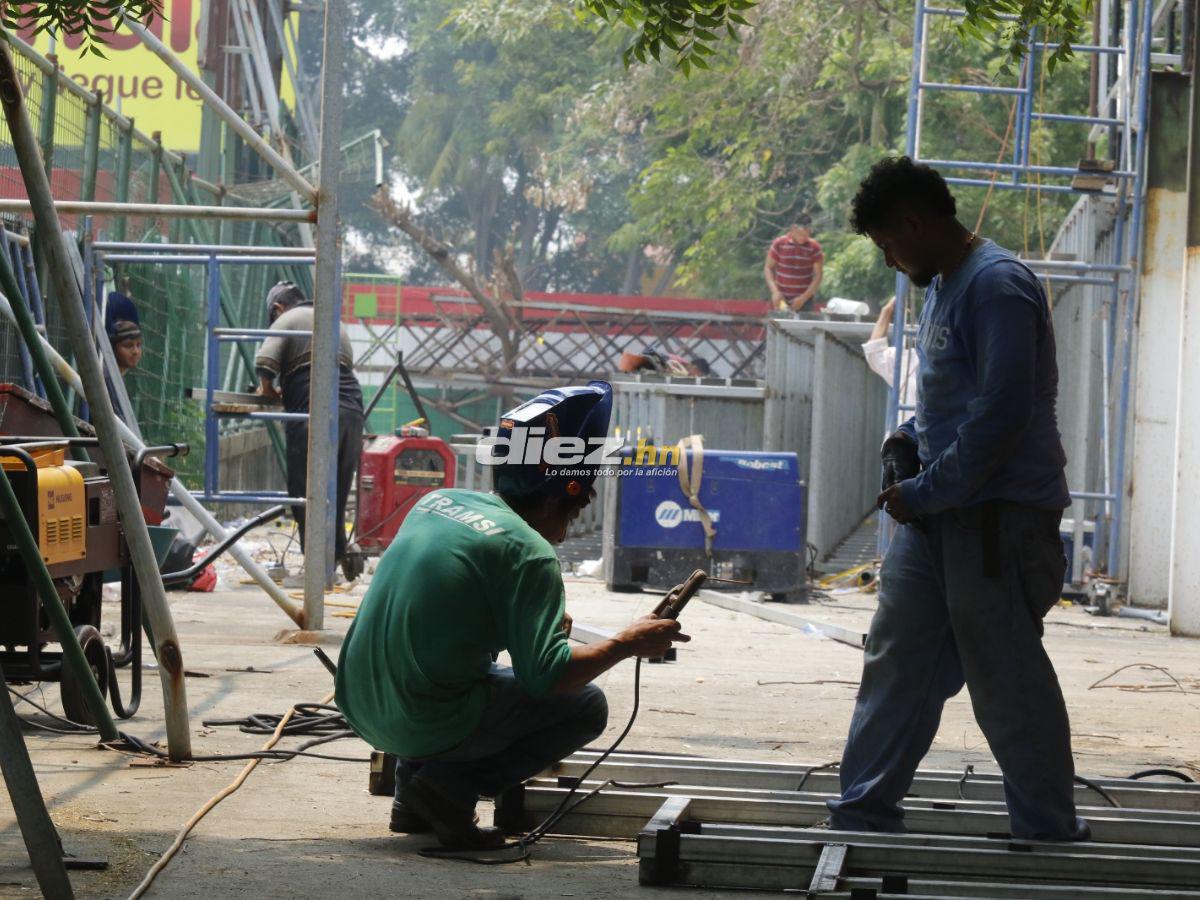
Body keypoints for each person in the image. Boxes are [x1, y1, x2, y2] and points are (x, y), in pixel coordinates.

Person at [827, 157, 1088, 842]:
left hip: (997, 521)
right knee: (897, 663)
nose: (890, 259)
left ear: (916, 222)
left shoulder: (997, 286)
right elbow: (953, 400)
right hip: (940, 515)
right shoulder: (945, 284)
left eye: (889, 243)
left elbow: (1002, 415)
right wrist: (907, 439)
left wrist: (925, 489)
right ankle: (862, 813)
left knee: (1005, 682)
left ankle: (1048, 831)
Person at [334, 381, 689, 850]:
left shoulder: (438, 504)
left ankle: (411, 798)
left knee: (476, 672)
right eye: (576, 509)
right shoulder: (530, 552)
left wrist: (534, 625)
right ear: (556, 495)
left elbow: (451, 620)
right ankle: (448, 790)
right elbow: (547, 678)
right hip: (418, 718)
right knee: (586, 705)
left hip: (361, 702)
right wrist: (626, 644)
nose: (566, 532)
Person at [254, 281, 365, 579]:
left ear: (278, 309)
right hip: (353, 413)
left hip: (314, 414)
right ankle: (336, 555)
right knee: (337, 491)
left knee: (305, 491)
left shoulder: (288, 319)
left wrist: (267, 390)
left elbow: (265, 363)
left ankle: (315, 570)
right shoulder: (333, 323)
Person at [862, 296, 918, 409]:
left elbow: (874, 353)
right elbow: (874, 353)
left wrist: (887, 310)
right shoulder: (908, 361)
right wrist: (887, 311)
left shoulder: (909, 361)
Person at [765, 214, 824, 313]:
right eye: (801, 234)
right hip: (781, 299)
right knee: (780, 327)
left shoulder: (814, 248)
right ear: (793, 229)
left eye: (807, 235)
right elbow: (768, 268)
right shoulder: (779, 243)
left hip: (805, 301)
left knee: (803, 327)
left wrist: (804, 298)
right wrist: (775, 291)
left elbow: (818, 275)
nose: (803, 238)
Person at [105, 291, 143, 376]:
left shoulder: (115, 378)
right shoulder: (104, 378)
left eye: (139, 345)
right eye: (128, 346)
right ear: (112, 347)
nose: (136, 351)